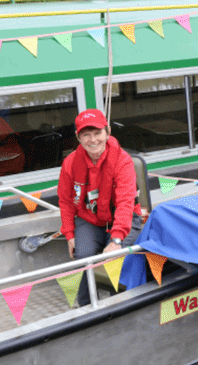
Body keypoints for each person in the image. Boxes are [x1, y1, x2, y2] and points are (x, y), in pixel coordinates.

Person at [58, 109, 143, 307]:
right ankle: (86, 307)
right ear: (78, 138)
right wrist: (70, 235)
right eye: (86, 135)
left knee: (114, 257)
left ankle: (119, 304)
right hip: (90, 219)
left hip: (123, 220)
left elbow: (125, 203)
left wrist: (116, 240)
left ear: (108, 132)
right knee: (83, 256)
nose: (93, 140)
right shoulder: (70, 163)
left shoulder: (123, 161)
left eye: (97, 133)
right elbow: (65, 201)